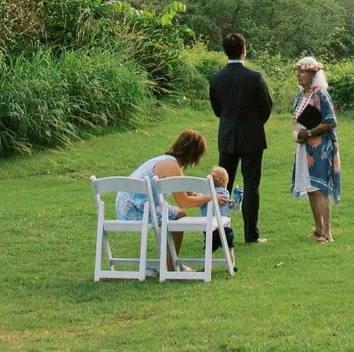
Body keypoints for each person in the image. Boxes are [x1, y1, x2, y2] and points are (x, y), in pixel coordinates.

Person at [115, 129, 229, 272]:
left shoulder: (168, 161)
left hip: (127, 204)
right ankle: (170, 265)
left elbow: (189, 193)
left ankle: (171, 262)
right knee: (178, 215)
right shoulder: (172, 166)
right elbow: (184, 202)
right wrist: (211, 197)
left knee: (176, 215)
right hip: (136, 208)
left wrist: (205, 196)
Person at [207, 32, 273, 245]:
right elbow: (266, 107)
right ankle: (251, 235)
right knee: (252, 184)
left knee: (222, 186)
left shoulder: (217, 78)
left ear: (225, 51)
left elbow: (217, 109)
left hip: (227, 136)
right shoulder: (255, 77)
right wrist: (254, 123)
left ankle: (219, 232)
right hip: (252, 136)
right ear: (244, 49)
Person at [288, 56, 339, 242]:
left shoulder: (320, 94)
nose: (299, 75)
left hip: (319, 148)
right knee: (310, 188)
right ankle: (318, 228)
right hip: (304, 147)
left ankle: (327, 232)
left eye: (302, 72)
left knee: (320, 188)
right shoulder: (301, 95)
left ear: (313, 74)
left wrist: (309, 133)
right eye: (298, 71)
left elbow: (331, 121)